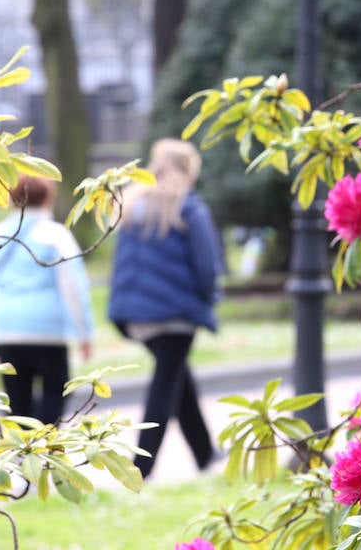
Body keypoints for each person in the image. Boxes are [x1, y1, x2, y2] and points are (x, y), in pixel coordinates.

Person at [107, 138, 224, 479]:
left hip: (134, 314)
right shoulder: (188, 208)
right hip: (175, 313)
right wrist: (210, 297)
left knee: (176, 378)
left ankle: (205, 454)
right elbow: (207, 265)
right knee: (165, 386)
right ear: (188, 170)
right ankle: (141, 468)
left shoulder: (132, 204)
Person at [0, 175, 94, 425]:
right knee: (54, 392)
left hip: (5, 328)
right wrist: (84, 333)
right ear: (49, 198)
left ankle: (24, 457)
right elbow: (72, 286)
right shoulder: (56, 235)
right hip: (48, 330)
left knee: (17, 403)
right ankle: (44, 453)